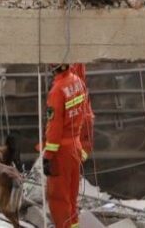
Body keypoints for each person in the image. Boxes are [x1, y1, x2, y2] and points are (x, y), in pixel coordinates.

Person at [43, 63, 88, 228]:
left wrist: (48, 156)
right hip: (75, 146)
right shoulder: (77, 81)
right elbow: (83, 113)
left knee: (58, 200)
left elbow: (54, 127)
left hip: (61, 151)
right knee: (71, 196)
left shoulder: (57, 91)